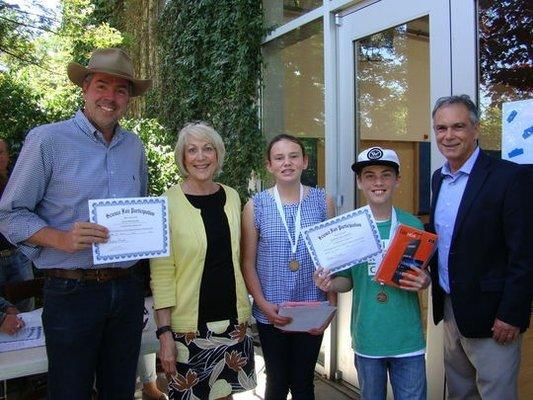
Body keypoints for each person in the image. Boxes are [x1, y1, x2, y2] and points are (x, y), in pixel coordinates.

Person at [0, 48, 152, 399]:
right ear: (85, 88)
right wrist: (61, 239)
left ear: (128, 98)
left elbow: (140, 207)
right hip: (71, 292)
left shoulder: (134, 146)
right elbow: (9, 214)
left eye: (121, 90)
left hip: (126, 290)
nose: (110, 98)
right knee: (70, 392)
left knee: (120, 391)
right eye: (102, 85)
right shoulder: (48, 140)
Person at [428, 95, 533, 399]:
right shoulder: (439, 178)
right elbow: (445, 237)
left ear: (476, 129)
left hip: (494, 317)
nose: (448, 136)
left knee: (495, 394)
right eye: (441, 128)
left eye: (458, 126)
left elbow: (524, 254)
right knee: (461, 392)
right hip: (450, 308)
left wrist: (512, 314)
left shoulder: (510, 178)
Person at [314, 147, 430, 400]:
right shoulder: (349, 227)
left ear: (397, 179)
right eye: (369, 175)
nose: (378, 182)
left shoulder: (413, 224)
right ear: (359, 182)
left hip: (407, 338)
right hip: (368, 337)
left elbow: (423, 274)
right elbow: (347, 282)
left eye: (386, 174)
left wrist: (424, 281)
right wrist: (329, 283)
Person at [150, 122, 256, 400]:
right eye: (192, 150)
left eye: (208, 149)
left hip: (233, 321)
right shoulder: (166, 203)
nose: (200, 157)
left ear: (217, 155)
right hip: (188, 329)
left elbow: (240, 256)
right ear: (182, 158)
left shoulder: (231, 196)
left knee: (225, 395)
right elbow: (161, 274)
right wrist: (164, 335)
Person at [241, 133, 336, 400]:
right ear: (269, 165)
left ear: (305, 162)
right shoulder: (255, 206)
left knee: (304, 382)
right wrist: (261, 303)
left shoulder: (322, 201)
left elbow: (331, 261)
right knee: (277, 382)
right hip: (272, 311)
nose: (287, 163)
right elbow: (247, 262)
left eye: (294, 156)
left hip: (312, 309)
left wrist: (330, 309)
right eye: (279, 158)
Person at [0, 139, 34, 312]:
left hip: (18, 254)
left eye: (0, 152)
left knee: (26, 311)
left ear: (7, 156)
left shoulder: (18, 183)